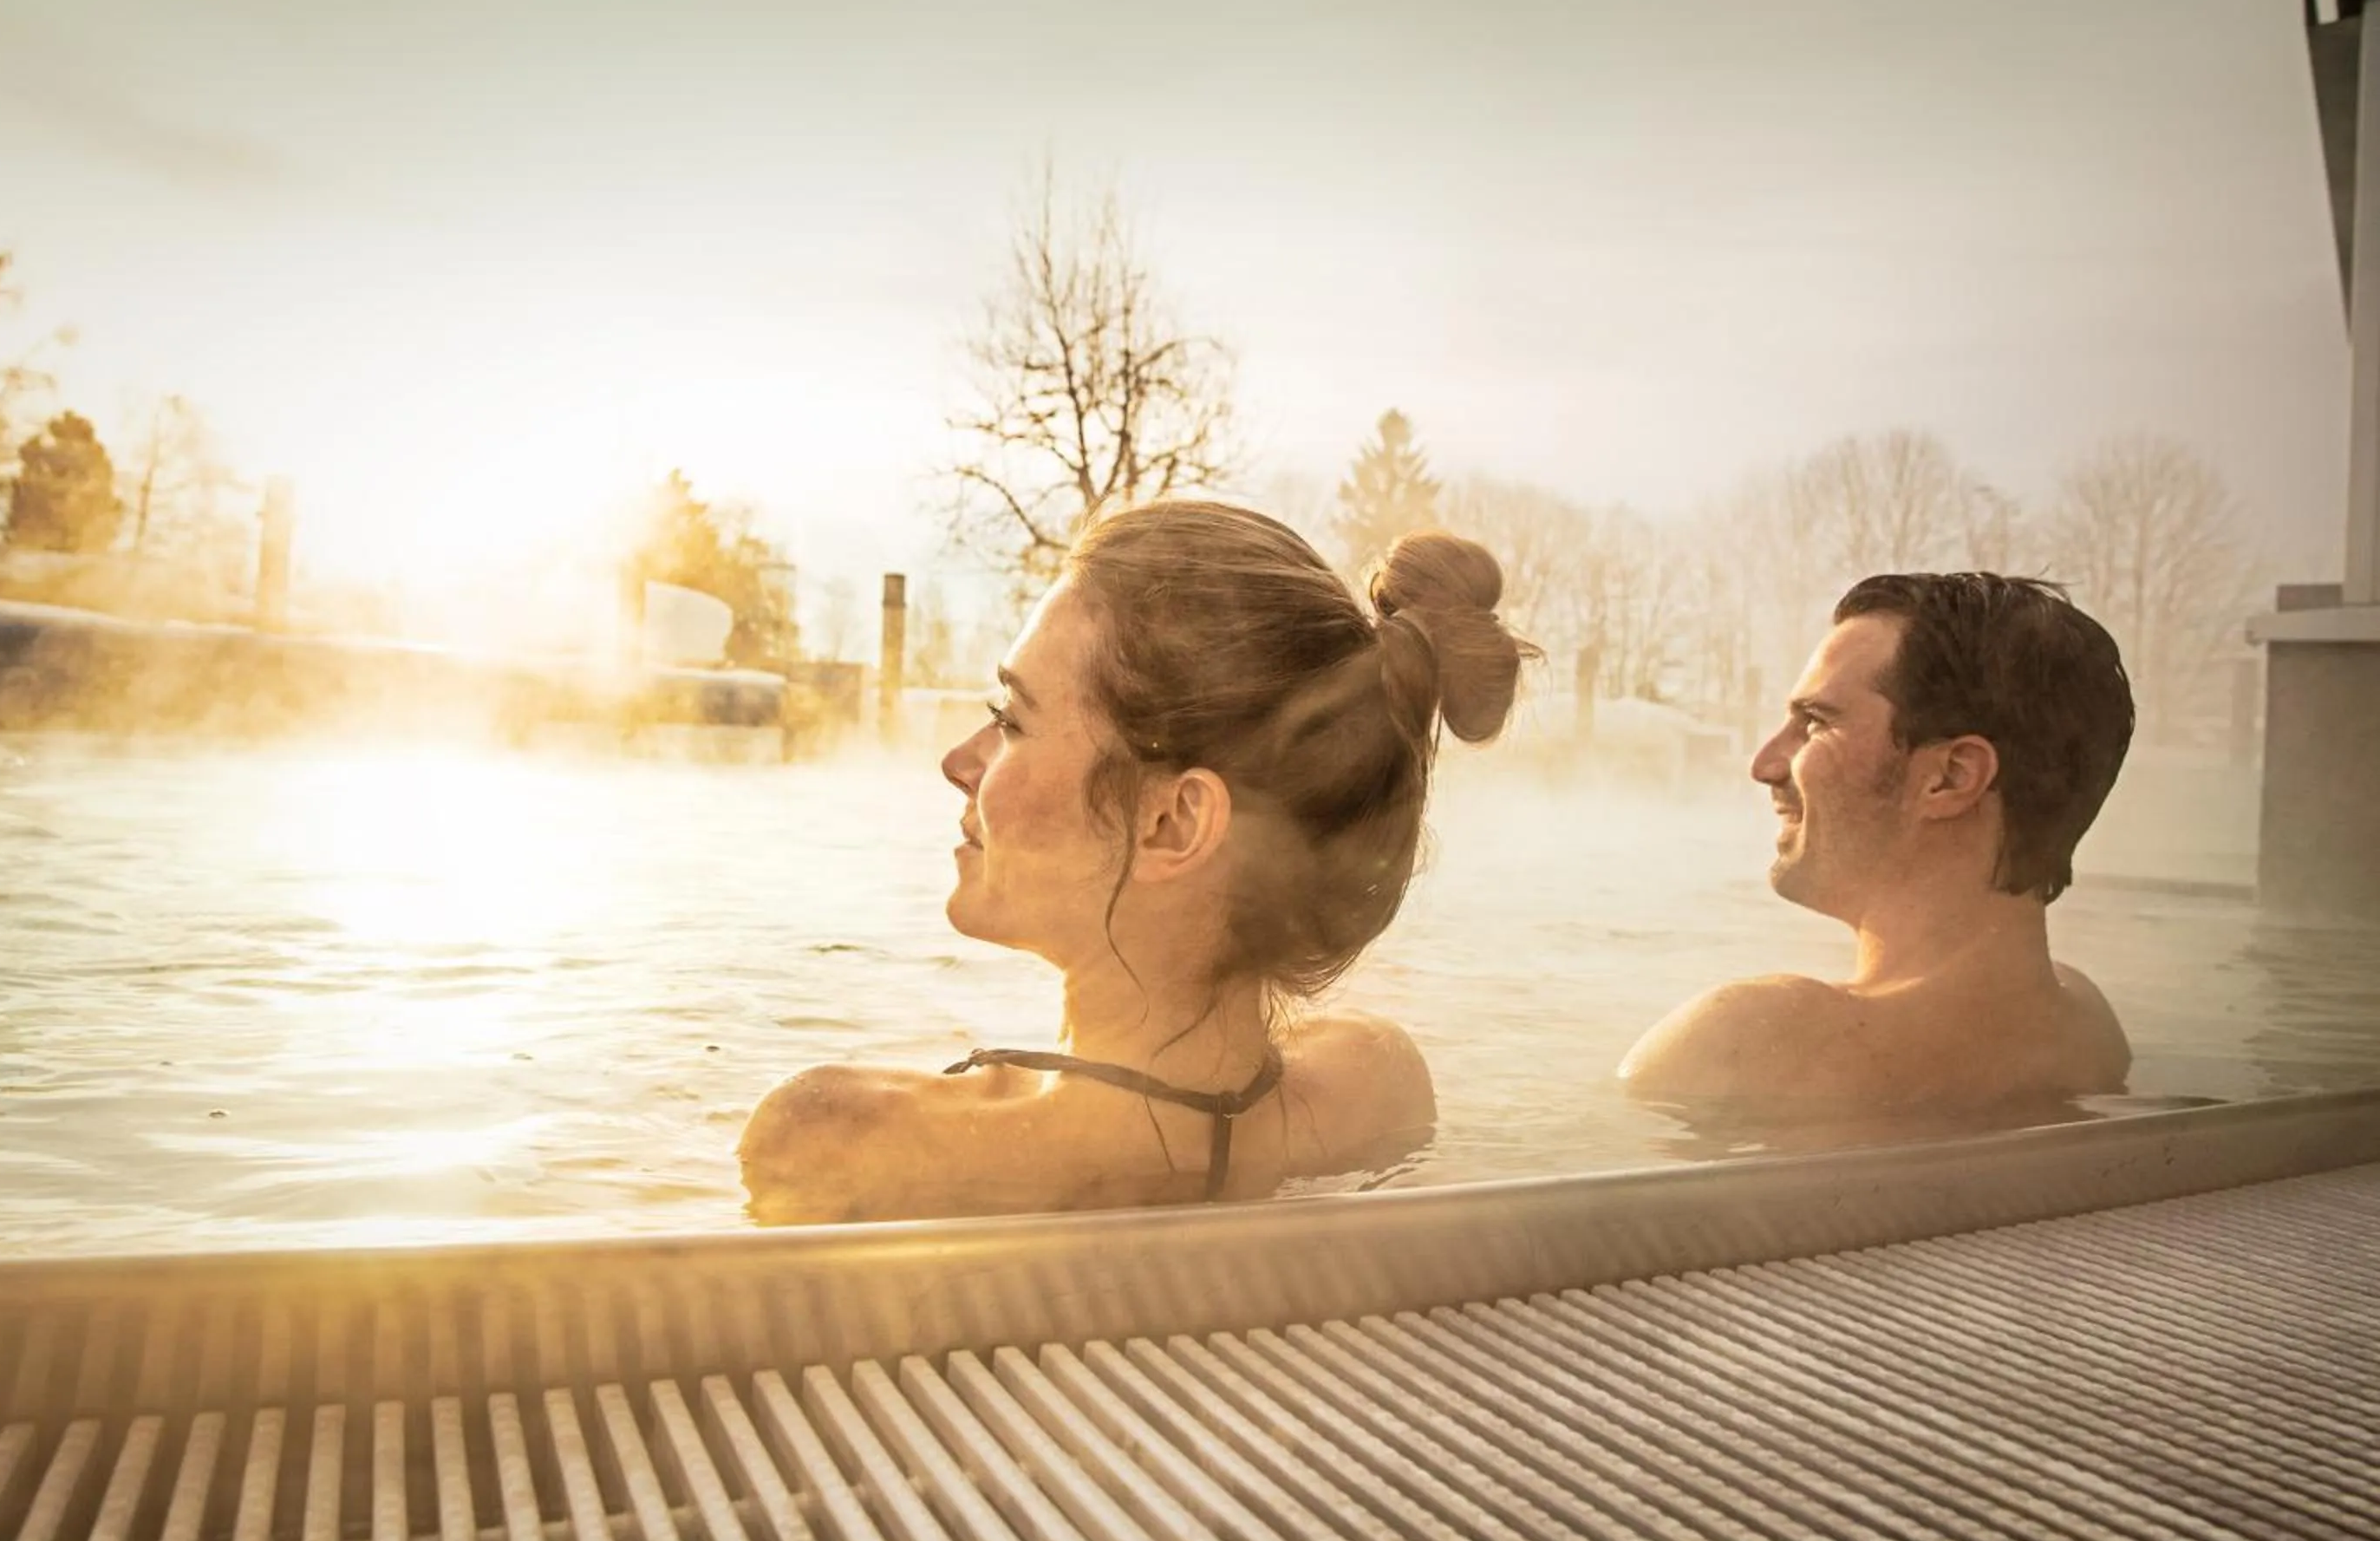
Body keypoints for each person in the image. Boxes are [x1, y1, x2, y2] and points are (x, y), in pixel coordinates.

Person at [739, 500, 1536, 1223]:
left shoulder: (838, 1140)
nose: (958, 760)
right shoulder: (1378, 1087)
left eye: (1009, 720)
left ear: (1173, 823)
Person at [1620, 573, 2135, 1122]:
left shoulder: (1747, 1044)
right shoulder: (2090, 1031)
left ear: (1951, 777)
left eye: (1815, 723)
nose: (1766, 764)